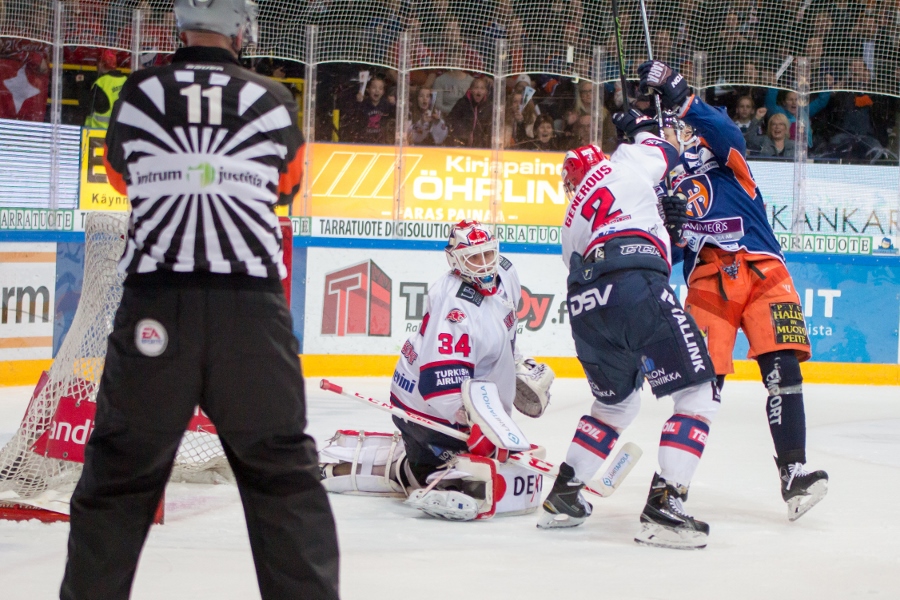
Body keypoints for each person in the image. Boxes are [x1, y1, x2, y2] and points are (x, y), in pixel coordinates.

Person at [59, 2, 340, 599]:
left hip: (156, 308)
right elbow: (287, 185)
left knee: (117, 477)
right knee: (282, 478)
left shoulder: (139, 92)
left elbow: (119, 176)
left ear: (178, 25)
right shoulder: (272, 99)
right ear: (244, 28)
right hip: (251, 315)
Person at [638, 59, 829, 521]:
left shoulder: (724, 154)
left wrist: (680, 94)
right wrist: (673, 228)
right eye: (668, 127)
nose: (676, 131)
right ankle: (670, 489)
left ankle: (794, 471)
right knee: (704, 387)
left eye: (678, 124)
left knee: (783, 369)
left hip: (764, 270)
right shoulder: (661, 181)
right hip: (707, 279)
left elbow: (727, 131)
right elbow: (671, 252)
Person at [539, 110, 720, 550]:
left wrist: (665, 224)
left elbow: (622, 243)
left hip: (586, 305)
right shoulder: (623, 161)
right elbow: (669, 151)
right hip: (635, 287)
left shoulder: (569, 224)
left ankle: (565, 493)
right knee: (698, 392)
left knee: (615, 407)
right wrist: (640, 126)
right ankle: (665, 503)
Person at [319, 221, 555, 521]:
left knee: (480, 464)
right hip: (425, 406)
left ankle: (417, 462)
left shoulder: (506, 272)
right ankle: (349, 469)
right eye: (474, 258)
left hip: (463, 392)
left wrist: (517, 363)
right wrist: (475, 426)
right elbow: (439, 384)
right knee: (452, 480)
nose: (484, 265)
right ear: (455, 260)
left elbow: (503, 329)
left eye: (488, 254)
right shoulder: (454, 305)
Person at [83, 50, 127, 130]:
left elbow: (87, 106)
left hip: (99, 133)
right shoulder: (126, 81)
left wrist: (80, 85)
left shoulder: (101, 83)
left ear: (100, 64)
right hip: (120, 133)